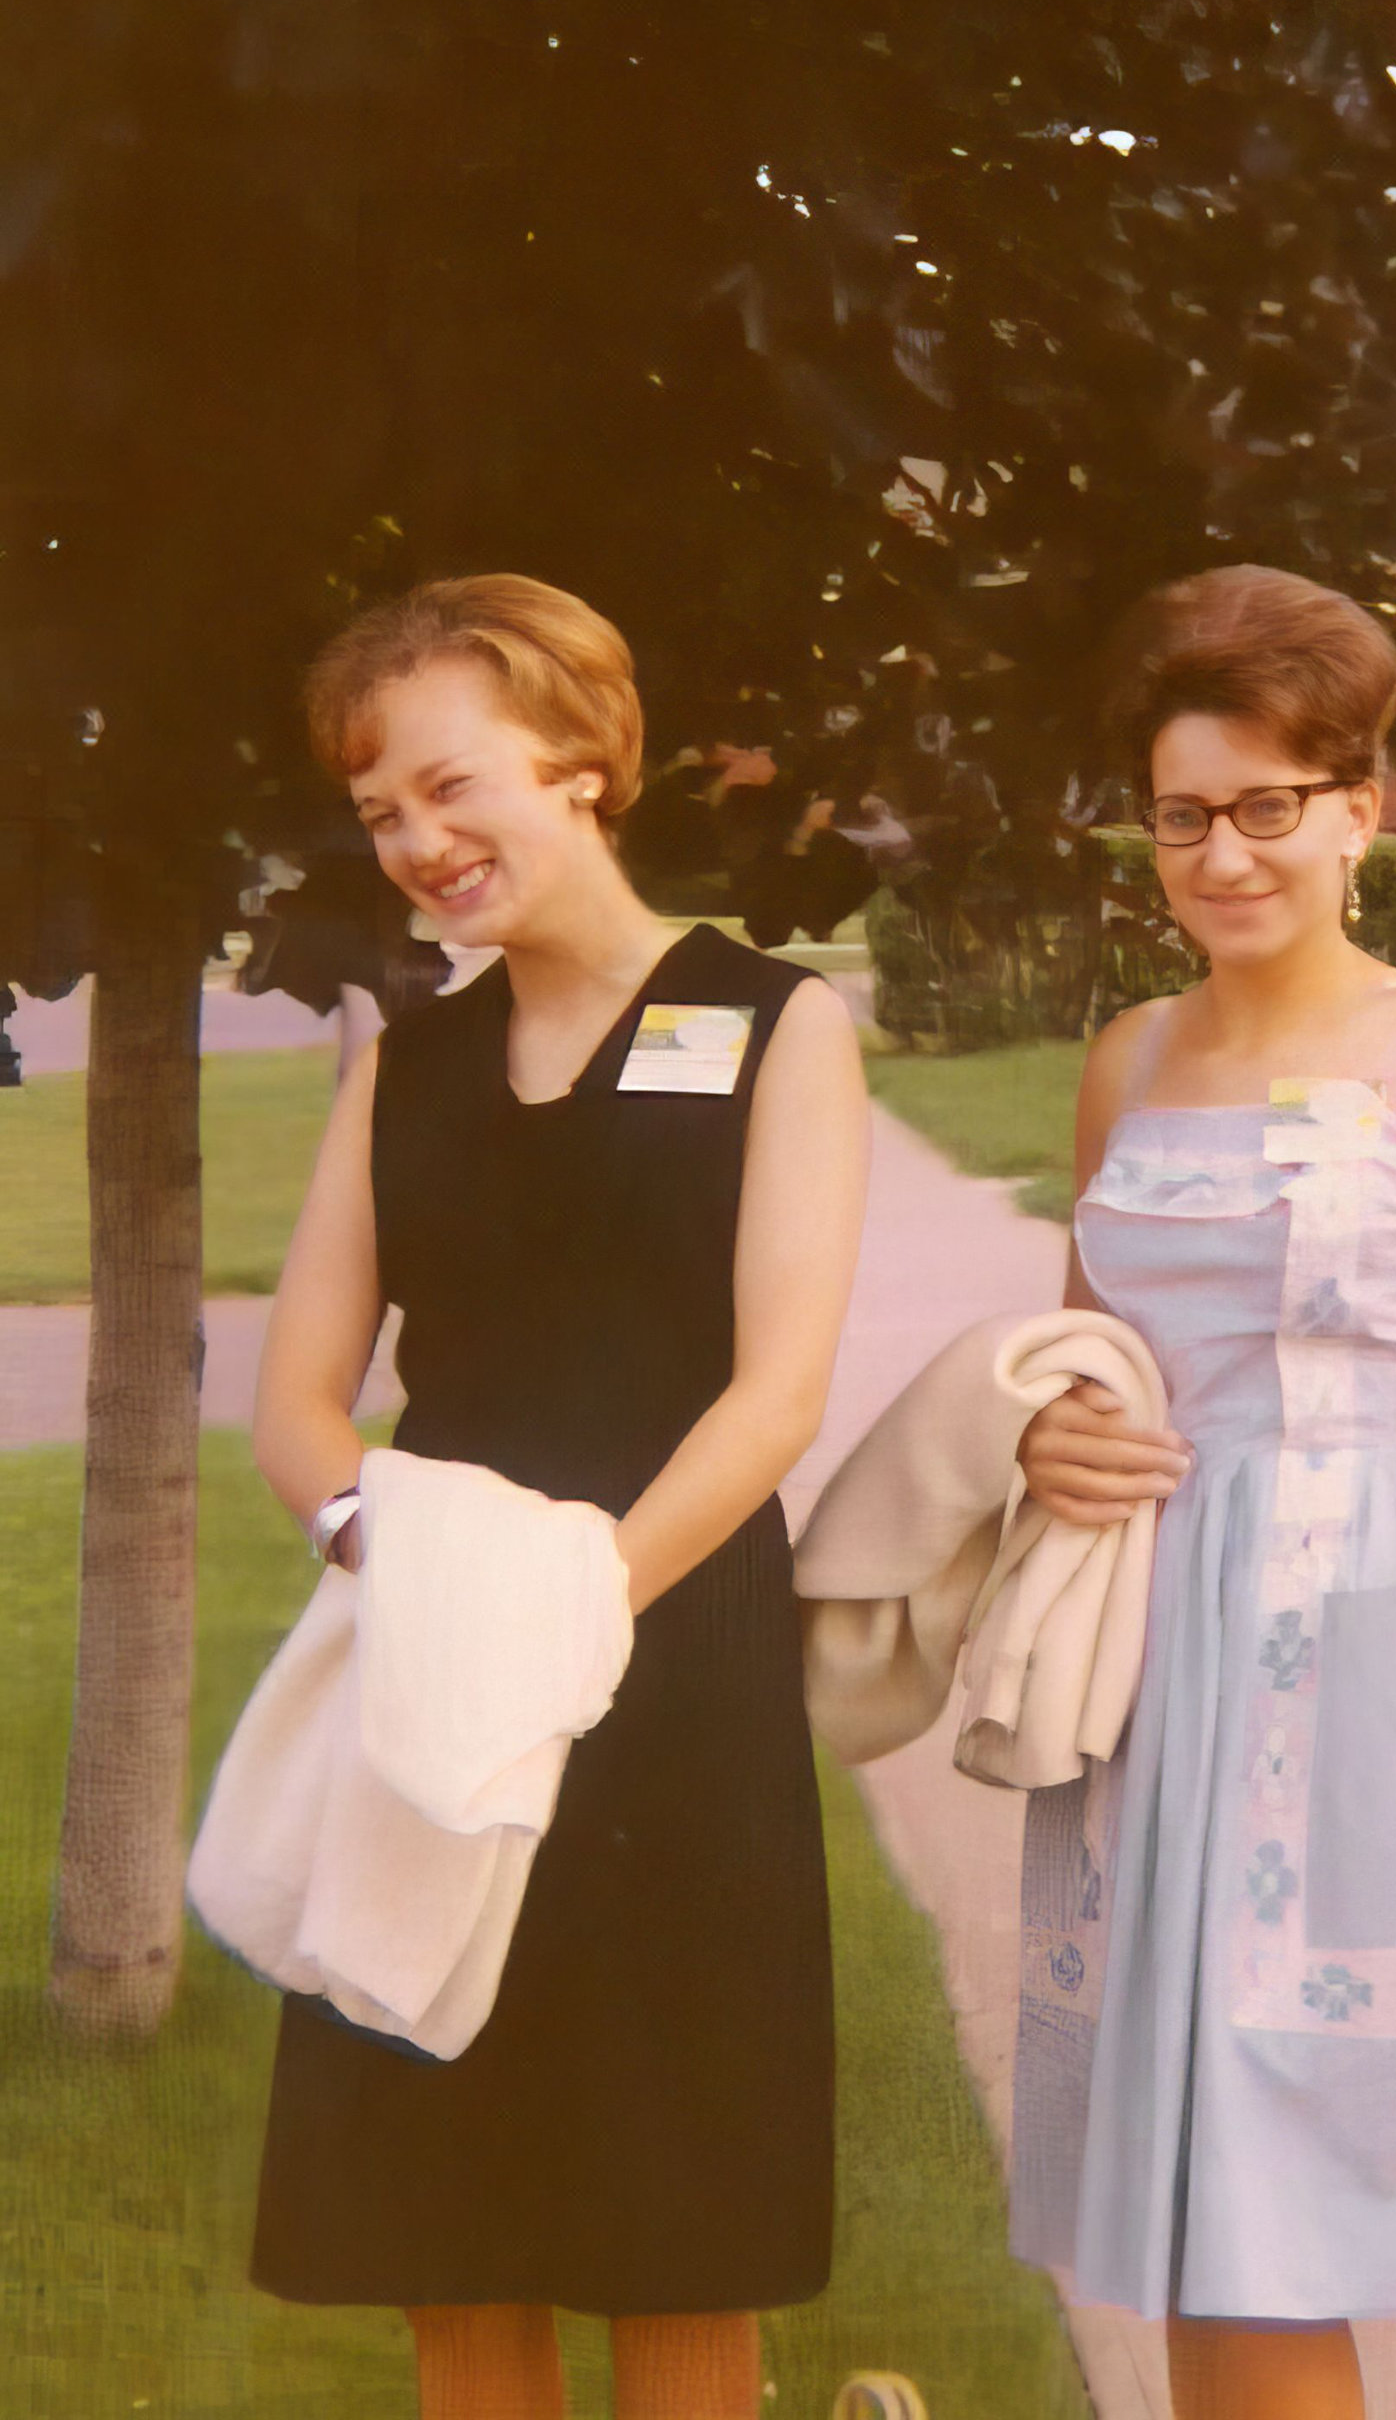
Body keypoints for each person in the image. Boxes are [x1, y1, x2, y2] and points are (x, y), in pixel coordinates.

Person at [246, 575, 870, 2420]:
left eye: (451, 787)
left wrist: (580, 1599)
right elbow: (297, 1397)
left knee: (675, 2214)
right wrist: (392, 1554)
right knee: (456, 2217)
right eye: (381, 814)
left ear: (584, 760)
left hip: (669, 1665)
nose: (420, 843)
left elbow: (778, 1395)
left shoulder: (774, 1023)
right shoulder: (404, 1063)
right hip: (434, 1678)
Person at [1010, 566, 1396, 2420]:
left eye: (1267, 807)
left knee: (1289, 2203)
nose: (1222, 854)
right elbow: (1089, 1360)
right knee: (1187, 2203)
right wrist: (1047, 1437)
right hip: (1152, 1660)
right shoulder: (1128, 1062)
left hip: (1362, 1662)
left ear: (1359, 809)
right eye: (1184, 814)